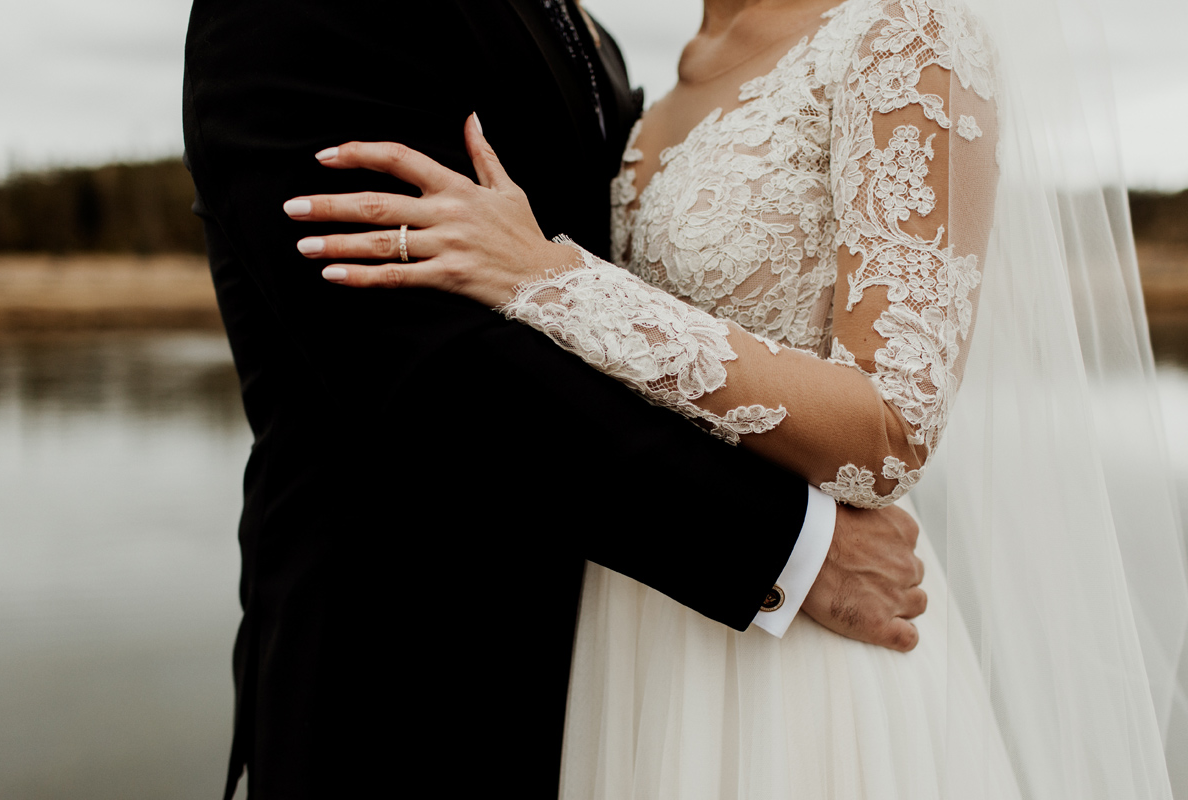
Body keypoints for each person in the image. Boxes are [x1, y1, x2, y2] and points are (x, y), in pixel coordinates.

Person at [284, 0, 1188, 796]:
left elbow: (893, 428)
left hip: (806, 647)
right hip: (638, 614)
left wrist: (551, 278)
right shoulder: (649, 80)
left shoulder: (905, 36)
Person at [182, 1, 929, 798]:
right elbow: (427, 368)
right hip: (401, 690)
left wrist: (550, 276)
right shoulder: (288, 14)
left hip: (626, 668)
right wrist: (788, 546)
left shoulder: (579, 29)